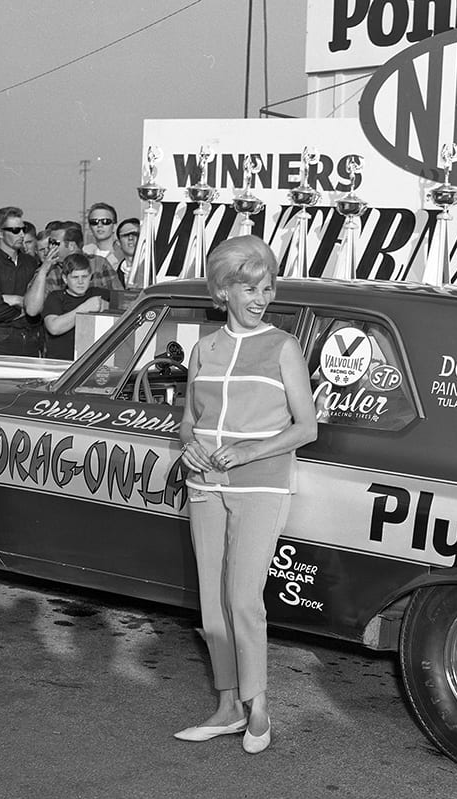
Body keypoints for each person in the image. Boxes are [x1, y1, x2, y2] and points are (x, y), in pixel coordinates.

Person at [173, 235, 317, 755]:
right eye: (249, 287)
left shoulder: (284, 346)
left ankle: (259, 706)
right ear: (223, 291)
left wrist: (248, 453)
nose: (260, 297)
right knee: (212, 605)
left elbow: (306, 428)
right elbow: (190, 422)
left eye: (267, 287)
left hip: (261, 485)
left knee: (242, 598)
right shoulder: (203, 348)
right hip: (204, 485)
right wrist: (189, 447)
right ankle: (228, 705)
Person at [0, 206, 47, 356]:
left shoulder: (31, 262)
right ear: (0, 232)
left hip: (32, 340)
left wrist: (19, 301)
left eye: (23, 229)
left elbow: (41, 308)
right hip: (0, 343)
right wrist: (29, 306)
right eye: (15, 230)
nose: (22, 234)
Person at [41, 254, 108, 361]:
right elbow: (54, 327)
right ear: (65, 278)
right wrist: (84, 308)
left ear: (90, 276)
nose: (80, 282)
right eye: (75, 277)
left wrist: (106, 306)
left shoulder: (98, 293)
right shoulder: (56, 297)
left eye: (84, 277)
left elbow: (127, 303)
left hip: (91, 363)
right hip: (60, 364)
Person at [44, 222, 122, 294]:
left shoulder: (99, 264)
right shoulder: (52, 270)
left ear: (71, 246)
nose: (50, 247)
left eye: (54, 243)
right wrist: (43, 270)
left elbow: (120, 298)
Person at [83, 202, 121, 268]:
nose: (99, 225)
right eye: (94, 222)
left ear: (114, 226)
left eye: (105, 221)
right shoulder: (84, 255)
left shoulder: (124, 255)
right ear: (90, 227)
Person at [115, 217, 140, 288]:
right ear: (118, 243)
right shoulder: (113, 276)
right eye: (126, 235)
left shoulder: (154, 272)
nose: (131, 238)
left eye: (135, 234)